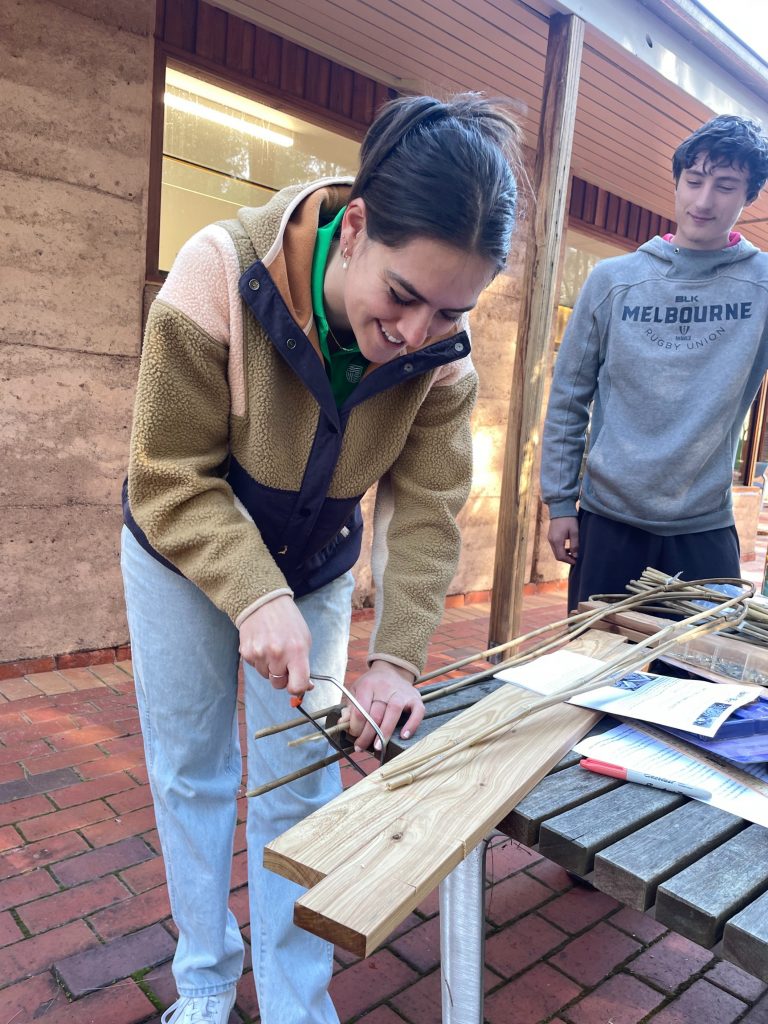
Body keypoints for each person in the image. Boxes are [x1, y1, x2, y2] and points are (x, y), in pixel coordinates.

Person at [121, 93, 521, 1024]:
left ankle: (299, 1000)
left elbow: (425, 510)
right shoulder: (217, 270)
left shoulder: (443, 359)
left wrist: (396, 659)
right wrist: (252, 591)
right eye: (403, 295)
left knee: (301, 787)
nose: (419, 332)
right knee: (194, 770)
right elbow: (165, 473)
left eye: (452, 308)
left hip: (317, 561)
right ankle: (208, 981)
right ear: (358, 228)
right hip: (181, 548)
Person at [541, 113, 768, 611]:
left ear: (749, 197)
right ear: (678, 180)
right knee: (596, 676)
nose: (703, 201)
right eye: (694, 181)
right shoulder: (613, 280)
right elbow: (568, 396)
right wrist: (560, 503)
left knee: (705, 682)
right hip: (608, 523)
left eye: (726, 186)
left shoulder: (763, 286)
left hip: (704, 528)